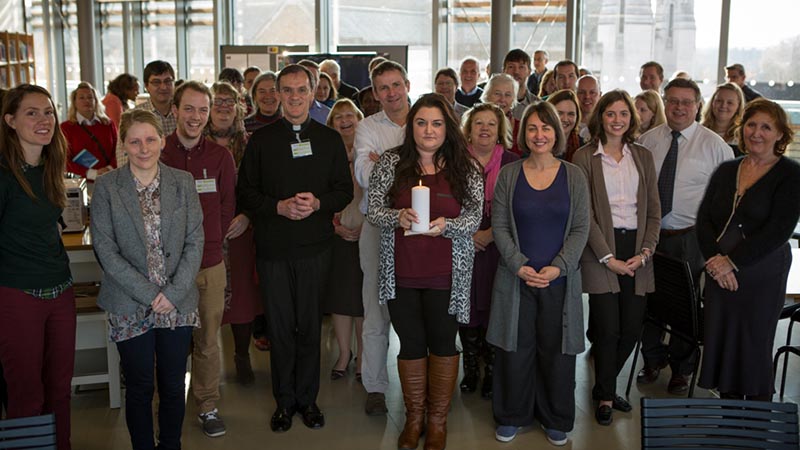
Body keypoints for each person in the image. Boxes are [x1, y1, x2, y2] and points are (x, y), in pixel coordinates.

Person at [237, 64, 353, 433]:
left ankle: (309, 400)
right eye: (287, 91)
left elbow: (344, 191)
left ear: (314, 90)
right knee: (281, 328)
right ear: (278, 94)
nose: (294, 97)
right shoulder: (261, 141)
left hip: (315, 248)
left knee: (309, 328)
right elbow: (246, 193)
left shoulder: (329, 139)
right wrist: (278, 207)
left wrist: (319, 204)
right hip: (273, 249)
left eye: (301, 90)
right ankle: (284, 402)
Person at [367, 93, 483, 450]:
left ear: (447, 127)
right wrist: (396, 216)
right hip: (402, 272)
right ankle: (414, 416)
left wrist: (446, 226)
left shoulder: (466, 166)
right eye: (421, 122)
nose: (428, 130)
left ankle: (437, 421)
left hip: (447, 274)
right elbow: (374, 209)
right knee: (412, 344)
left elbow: (474, 217)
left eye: (436, 123)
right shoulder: (390, 163)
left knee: (444, 343)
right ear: (411, 126)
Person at [91, 108, 203, 450]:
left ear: (162, 141)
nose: (143, 148)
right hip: (129, 302)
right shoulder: (108, 186)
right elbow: (105, 248)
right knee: (139, 386)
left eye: (150, 139)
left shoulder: (182, 182)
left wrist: (173, 292)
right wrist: (150, 293)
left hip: (177, 302)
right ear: (123, 144)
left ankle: (171, 444)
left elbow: (195, 239)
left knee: (172, 383)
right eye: (135, 141)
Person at [487, 101, 589, 446]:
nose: (539, 134)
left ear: (557, 133)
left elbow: (580, 228)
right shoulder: (509, 174)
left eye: (546, 128)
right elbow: (499, 225)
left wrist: (558, 266)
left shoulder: (574, 175)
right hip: (517, 277)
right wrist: (518, 264)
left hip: (560, 279)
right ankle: (511, 414)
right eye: (532, 128)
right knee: (515, 350)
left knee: (557, 351)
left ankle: (555, 417)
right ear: (523, 133)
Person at [697, 99, 800, 400]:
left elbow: (778, 231)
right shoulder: (727, 169)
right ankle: (729, 423)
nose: (757, 133)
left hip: (761, 275)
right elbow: (704, 220)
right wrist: (715, 263)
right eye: (752, 125)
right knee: (723, 347)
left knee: (753, 351)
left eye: (767, 127)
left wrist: (731, 262)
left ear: (781, 134)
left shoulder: (791, 175)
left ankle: (755, 429)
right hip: (719, 275)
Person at [636, 78, 734, 395]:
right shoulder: (648, 141)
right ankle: (651, 359)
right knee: (648, 299)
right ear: (664, 102)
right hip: (651, 234)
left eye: (686, 102)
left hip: (691, 237)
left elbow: (727, 200)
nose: (679, 107)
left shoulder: (715, 146)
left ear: (697, 105)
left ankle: (682, 367)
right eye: (673, 101)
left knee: (686, 304)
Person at [572, 90, 660, 426]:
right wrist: (607, 257)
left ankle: (603, 385)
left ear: (631, 118)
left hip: (638, 251)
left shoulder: (643, 156)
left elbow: (653, 210)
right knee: (607, 329)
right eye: (611, 113)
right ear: (601, 117)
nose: (618, 119)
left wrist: (646, 252)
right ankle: (606, 395)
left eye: (624, 113)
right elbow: (586, 214)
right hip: (600, 251)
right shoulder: (584, 157)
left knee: (631, 329)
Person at [0, 84, 76, 450]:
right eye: (32, 112)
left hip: (60, 289)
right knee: (26, 391)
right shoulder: (3, 174)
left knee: (60, 388)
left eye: (48, 111)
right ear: (10, 120)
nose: (44, 120)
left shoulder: (50, 164)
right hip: (17, 294)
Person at [161, 81, 236, 438]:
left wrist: (213, 241)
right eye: (188, 109)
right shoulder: (157, 152)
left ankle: (207, 405)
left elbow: (226, 205)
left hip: (209, 263)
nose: (195, 117)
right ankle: (170, 405)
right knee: (170, 341)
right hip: (167, 267)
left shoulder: (221, 157)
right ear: (174, 110)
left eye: (202, 110)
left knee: (207, 340)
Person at [353, 59, 410, 417]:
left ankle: (420, 385)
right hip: (376, 224)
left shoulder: (427, 119)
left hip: (418, 225)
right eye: (383, 88)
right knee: (375, 307)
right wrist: (409, 166)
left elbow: (442, 169)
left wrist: (385, 161)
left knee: (416, 308)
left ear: (407, 84)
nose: (391, 93)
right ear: (375, 94)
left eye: (396, 85)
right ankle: (374, 386)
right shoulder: (366, 126)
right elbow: (364, 174)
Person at [458, 103, 519, 399]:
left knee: (495, 303)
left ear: (500, 131)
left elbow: (517, 208)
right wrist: (469, 233)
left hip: (500, 242)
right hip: (462, 241)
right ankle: (470, 368)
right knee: (467, 304)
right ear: (468, 130)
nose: (484, 128)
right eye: (478, 123)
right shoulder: (454, 160)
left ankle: (492, 369)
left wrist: (491, 234)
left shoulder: (512, 161)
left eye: (490, 124)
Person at [204, 81, 262, 386]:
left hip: (240, 230)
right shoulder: (195, 143)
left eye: (229, 102)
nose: (224, 107)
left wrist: (247, 215)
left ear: (238, 107)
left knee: (241, 298)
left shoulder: (250, 144)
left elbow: (261, 187)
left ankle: (242, 355)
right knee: (205, 299)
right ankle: (205, 361)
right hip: (203, 234)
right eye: (217, 102)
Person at [324, 98, 366, 382]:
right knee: (340, 299)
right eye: (338, 116)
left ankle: (363, 356)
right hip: (336, 236)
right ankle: (342, 354)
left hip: (367, 234)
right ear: (331, 124)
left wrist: (367, 227)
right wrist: (333, 226)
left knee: (363, 301)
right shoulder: (324, 153)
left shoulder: (370, 151)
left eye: (350, 115)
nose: (345, 120)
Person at [61, 81, 118, 181]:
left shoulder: (108, 124)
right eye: (81, 98)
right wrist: (91, 173)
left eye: (90, 97)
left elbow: (119, 150)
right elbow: (63, 160)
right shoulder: (66, 128)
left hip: (109, 178)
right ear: (74, 102)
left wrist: (109, 169)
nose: (86, 101)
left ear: (96, 101)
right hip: (81, 181)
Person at [126, 60, 177, 167]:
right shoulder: (133, 116)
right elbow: (124, 159)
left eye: (168, 81)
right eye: (156, 82)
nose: (163, 87)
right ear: (146, 86)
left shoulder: (185, 113)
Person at [481, 73, 521, 157]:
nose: (502, 99)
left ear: (513, 99)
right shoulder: (474, 124)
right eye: (497, 93)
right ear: (486, 96)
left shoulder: (521, 128)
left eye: (508, 95)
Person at [701, 83, 745, 156]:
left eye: (730, 103)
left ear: (738, 107)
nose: (723, 105)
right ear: (712, 103)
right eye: (719, 101)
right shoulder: (699, 132)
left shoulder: (743, 138)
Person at [546, 89, 584, 162]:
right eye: (559, 113)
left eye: (571, 114)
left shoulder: (581, 146)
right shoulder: (539, 142)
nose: (565, 119)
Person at [504, 48, 538, 119]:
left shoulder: (538, 105)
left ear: (529, 72)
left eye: (521, 67)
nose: (516, 71)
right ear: (504, 71)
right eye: (511, 67)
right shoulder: (494, 103)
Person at [297, 59, 332, 125]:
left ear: (318, 82)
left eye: (314, 79)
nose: (310, 83)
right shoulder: (283, 111)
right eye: (306, 78)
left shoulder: (328, 114)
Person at [576, 75, 601, 141]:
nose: (587, 96)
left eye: (592, 93)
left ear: (600, 95)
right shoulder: (568, 123)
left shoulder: (605, 125)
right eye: (582, 92)